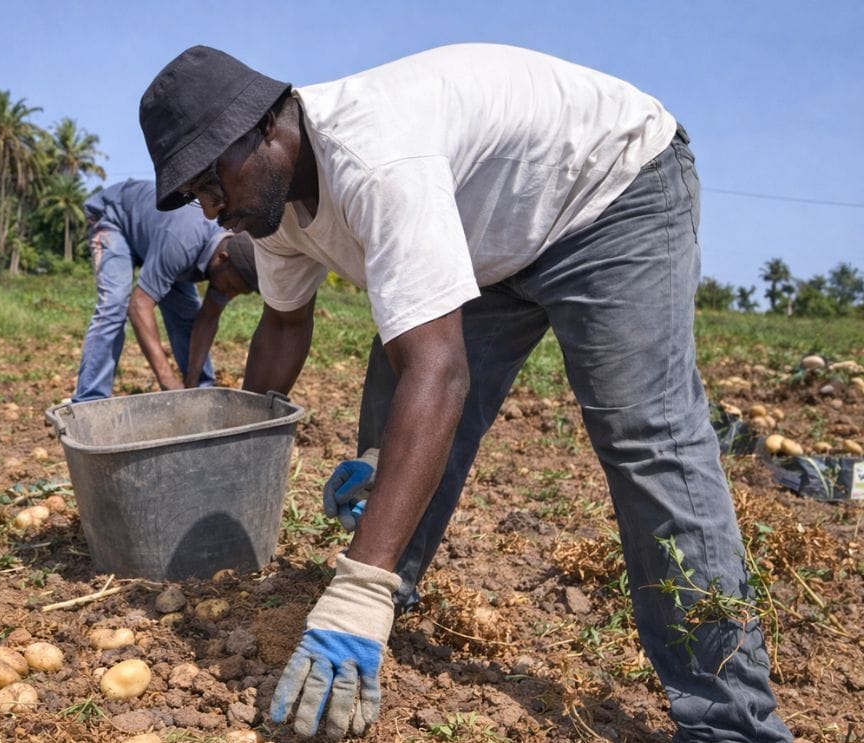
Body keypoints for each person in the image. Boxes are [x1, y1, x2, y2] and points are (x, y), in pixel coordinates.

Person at [138, 44, 791, 742]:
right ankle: (385, 596)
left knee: (647, 437)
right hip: (487, 237)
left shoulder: (374, 159)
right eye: (193, 196)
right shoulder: (271, 207)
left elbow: (439, 371)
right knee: (396, 410)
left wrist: (355, 581)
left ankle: (732, 719)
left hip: (607, 193)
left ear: (267, 126)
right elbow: (284, 323)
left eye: (211, 180)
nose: (209, 210)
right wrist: (237, 453)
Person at [73, 179, 258, 402]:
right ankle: (90, 401)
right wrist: (167, 379)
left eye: (236, 293)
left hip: (157, 241)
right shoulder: (182, 243)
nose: (227, 294)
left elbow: (207, 319)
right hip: (115, 218)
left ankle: (201, 391)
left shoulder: (228, 262)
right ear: (223, 258)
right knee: (114, 303)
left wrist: (191, 383)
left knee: (187, 314)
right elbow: (139, 306)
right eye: (230, 287)